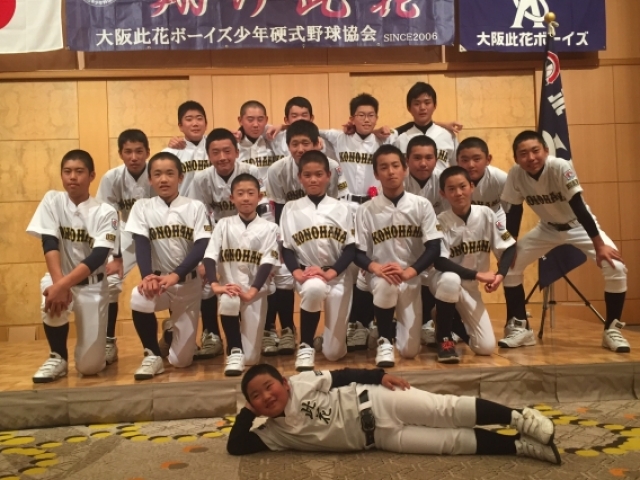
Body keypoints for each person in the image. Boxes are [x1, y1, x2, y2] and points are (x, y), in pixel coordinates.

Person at [226, 363, 562, 467]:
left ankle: (519, 417)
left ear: (284, 382)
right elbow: (236, 446)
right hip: (381, 439)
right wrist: (247, 413)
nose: (265, 397)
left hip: (377, 401)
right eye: (256, 396)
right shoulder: (274, 434)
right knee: (450, 443)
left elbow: (343, 375)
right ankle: (518, 446)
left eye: (269, 386)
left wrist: (378, 375)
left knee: (445, 410)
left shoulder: (301, 382)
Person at [500, 130, 629, 352]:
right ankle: (522, 329)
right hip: (547, 228)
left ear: (546, 151)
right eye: (523, 153)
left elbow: (579, 207)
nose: (531, 158)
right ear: (516, 158)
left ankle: (612, 331)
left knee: (615, 266)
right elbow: (514, 213)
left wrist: (599, 245)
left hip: (578, 225)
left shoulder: (559, 166)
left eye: (535, 151)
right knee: (509, 267)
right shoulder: (516, 174)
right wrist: (510, 247)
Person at [27, 150, 118, 383]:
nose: (73, 177)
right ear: (61, 175)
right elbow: (49, 242)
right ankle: (58, 356)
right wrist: (59, 285)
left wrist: (63, 286)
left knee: (90, 367)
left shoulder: (105, 212)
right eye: (67, 171)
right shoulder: (52, 200)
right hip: (59, 276)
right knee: (50, 297)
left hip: (92, 286)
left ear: (92, 176)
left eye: (79, 171)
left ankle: (97, 351)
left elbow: (99, 256)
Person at [125, 152, 211, 380]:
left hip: (188, 285)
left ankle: (171, 330)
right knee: (139, 296)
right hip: (159, 283)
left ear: (180, 177)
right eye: (157, 174)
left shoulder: (195, 207)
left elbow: (202, 245)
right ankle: (152, 355)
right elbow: (141, 242)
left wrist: (176, 275)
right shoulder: (142, 207)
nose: (163, 179)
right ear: (150, 179)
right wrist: (147, 277)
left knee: (181, 362)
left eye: (170, 173)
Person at [354, 145, 442, 367]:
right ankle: (384, 340)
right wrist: (376, 268)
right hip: (381, 276)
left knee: (410, 351)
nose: (390, 172)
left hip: (411, 276)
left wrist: (410, 272)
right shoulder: (365, 209)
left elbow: (434, 247)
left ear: (405, 169)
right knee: (387, 283)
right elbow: (357, 252)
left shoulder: (421, 205)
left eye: (395, 166)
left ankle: (386, 328)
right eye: (384, 167)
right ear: (376, 174)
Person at [266, 120, 349, 355]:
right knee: (282, 273)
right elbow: (279, 210)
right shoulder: (277, 170)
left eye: (305, 143)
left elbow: (338, 206)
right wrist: (289, 255)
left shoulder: (332, 166)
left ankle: (344, 330)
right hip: (295, 233)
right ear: (287, 145)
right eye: (295, 144)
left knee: (334, 354)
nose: (300, 148)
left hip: (329, 238)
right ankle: (289, 330)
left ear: (317, 144)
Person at [318, 93, 392, 352]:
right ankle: (349, 324)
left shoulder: (385, 139)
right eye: (361, 115)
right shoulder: (339, 137)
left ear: (377, 117)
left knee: (371, 262)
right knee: (348, 266)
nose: (366, 119)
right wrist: (276, 127)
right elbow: (307, 128)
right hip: (346, 208)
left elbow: (411, 132)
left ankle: (366, 321)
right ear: (352, 118)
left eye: (371, 115)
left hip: (374, 208)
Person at [429, 166, 516, 363]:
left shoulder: (486, 214)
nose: (458, 193)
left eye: (462, 186)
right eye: (451, 189)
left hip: (470, 287)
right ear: (443, 193)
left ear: (472, 187)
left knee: (485, 347)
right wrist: (478, 274)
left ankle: (444, 316)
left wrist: (500, 274)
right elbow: (439, 261)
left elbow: (510, 246)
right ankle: (444, 338)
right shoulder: (440, 221)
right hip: (442, 280)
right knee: (450, 280)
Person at [280, 151, 356, 371]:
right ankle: (306, 345)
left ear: (328, 176)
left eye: (319, 174)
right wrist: (296, 273)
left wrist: (331, 273)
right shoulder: (290, 208)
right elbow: (286, 247)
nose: (313, 179)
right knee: (314, 288)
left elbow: (351, 248)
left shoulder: (343, 208)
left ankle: (325, 339)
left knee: (334, 354)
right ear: (299, 177)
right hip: (308, 275)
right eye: (307, 175)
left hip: (337, 275)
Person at [202, 173, 280, 376]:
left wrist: (252, 292)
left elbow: (268, 262)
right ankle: (234, 350)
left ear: (259, 197)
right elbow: (210, 256)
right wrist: (215, 284)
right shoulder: (223, 224)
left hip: (256, 293)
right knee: (228, 298)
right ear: (232, 198)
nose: (246, 198)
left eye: (251, 193)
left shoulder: (270, 228)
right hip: (231, 288)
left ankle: (241, 351)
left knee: (251, 358)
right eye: (240, 193)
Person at [96, 129, 154, 365]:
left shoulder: (157, 172)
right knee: (110, 281)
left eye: (139, 151)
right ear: (120, 153)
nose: (134, 157)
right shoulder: (112, 178)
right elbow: (108, 218)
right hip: (126, 232)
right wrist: (117, 255)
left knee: (171, 282)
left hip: (157, 232)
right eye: (128, 152)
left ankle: (172, 332)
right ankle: (108, 340)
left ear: (148, 152)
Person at [403, 135, 447, 347]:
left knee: (441, 272)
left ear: (436, 159)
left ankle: (439, 321)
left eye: (429, 158)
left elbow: (449, 220)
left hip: (436, 239)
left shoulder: (444, 180)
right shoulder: (398, 179)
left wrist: (435, 250)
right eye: (417, 158)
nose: (423, 163)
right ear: (407, 160)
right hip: (406, 239)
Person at [393, 82, 458, 172]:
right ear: (409, 108)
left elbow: (458, 167)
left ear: (434, 105)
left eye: (427, 103)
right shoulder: (401, 139)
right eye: (417, 104)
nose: (422, 107)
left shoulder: (447, 135)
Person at [456, 136, 509, 225]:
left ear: (488, 159)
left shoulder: (501, 178)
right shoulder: (451, 180)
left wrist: (509, 233)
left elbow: (510, 211)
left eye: (477, 159)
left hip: (495, 218)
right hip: (464, 221)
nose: (471, 165)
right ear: (457, 161)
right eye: (465, 160)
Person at [163, 100, 210, 196]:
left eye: (199, 119)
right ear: (180, 126)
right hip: (182, 204)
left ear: (206, 124)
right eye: (189, 119)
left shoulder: (217, 148)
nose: (195, 123)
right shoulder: (171, 153)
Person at [269, 96, 337, 159]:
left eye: (304, 115)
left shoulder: (324, 139)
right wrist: (283, 126)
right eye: (294, 116)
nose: (300, 119)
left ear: (311, 118)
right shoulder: (276, 138)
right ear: (286, 120)